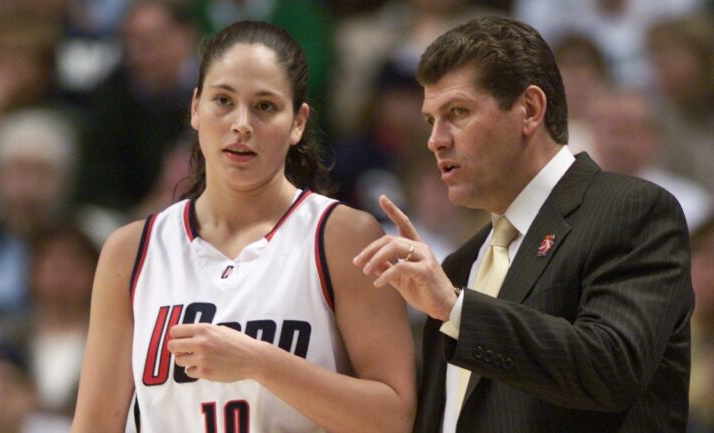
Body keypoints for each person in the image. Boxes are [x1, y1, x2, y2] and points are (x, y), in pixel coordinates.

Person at [71, 21, 415, 433]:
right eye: (223, 100)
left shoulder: (342, 237)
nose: (241, 124)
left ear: (299, 122)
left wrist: (258, 362)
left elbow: (394, 417)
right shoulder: (131, 251)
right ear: (196, 107)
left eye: (265, 106)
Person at [353, 16, 694, 432]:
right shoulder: (459, 266)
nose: (435, 140)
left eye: (457, 112)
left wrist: (456, 309)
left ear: (529, 110)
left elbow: (612, 366)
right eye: (430, 120)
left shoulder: (631, 210)